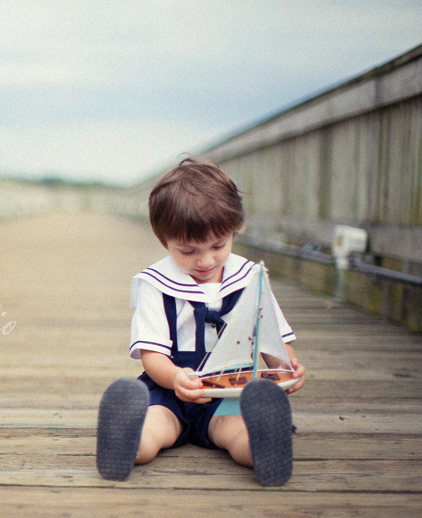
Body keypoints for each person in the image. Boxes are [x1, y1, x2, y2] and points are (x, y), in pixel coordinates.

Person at [97, 157, 306, 487]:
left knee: (238, 434)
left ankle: (265, 444)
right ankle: (125, 441)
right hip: (171, 389)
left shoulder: (250, 279)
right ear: (164, 240)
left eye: (218, 245)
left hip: (229, 390)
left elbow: (272, 337)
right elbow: (152, 355)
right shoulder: (156, 284)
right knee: (154, 429)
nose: (206, 260)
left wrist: (287, 369)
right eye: (188, 250)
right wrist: (176, 378)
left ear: (236, 231)